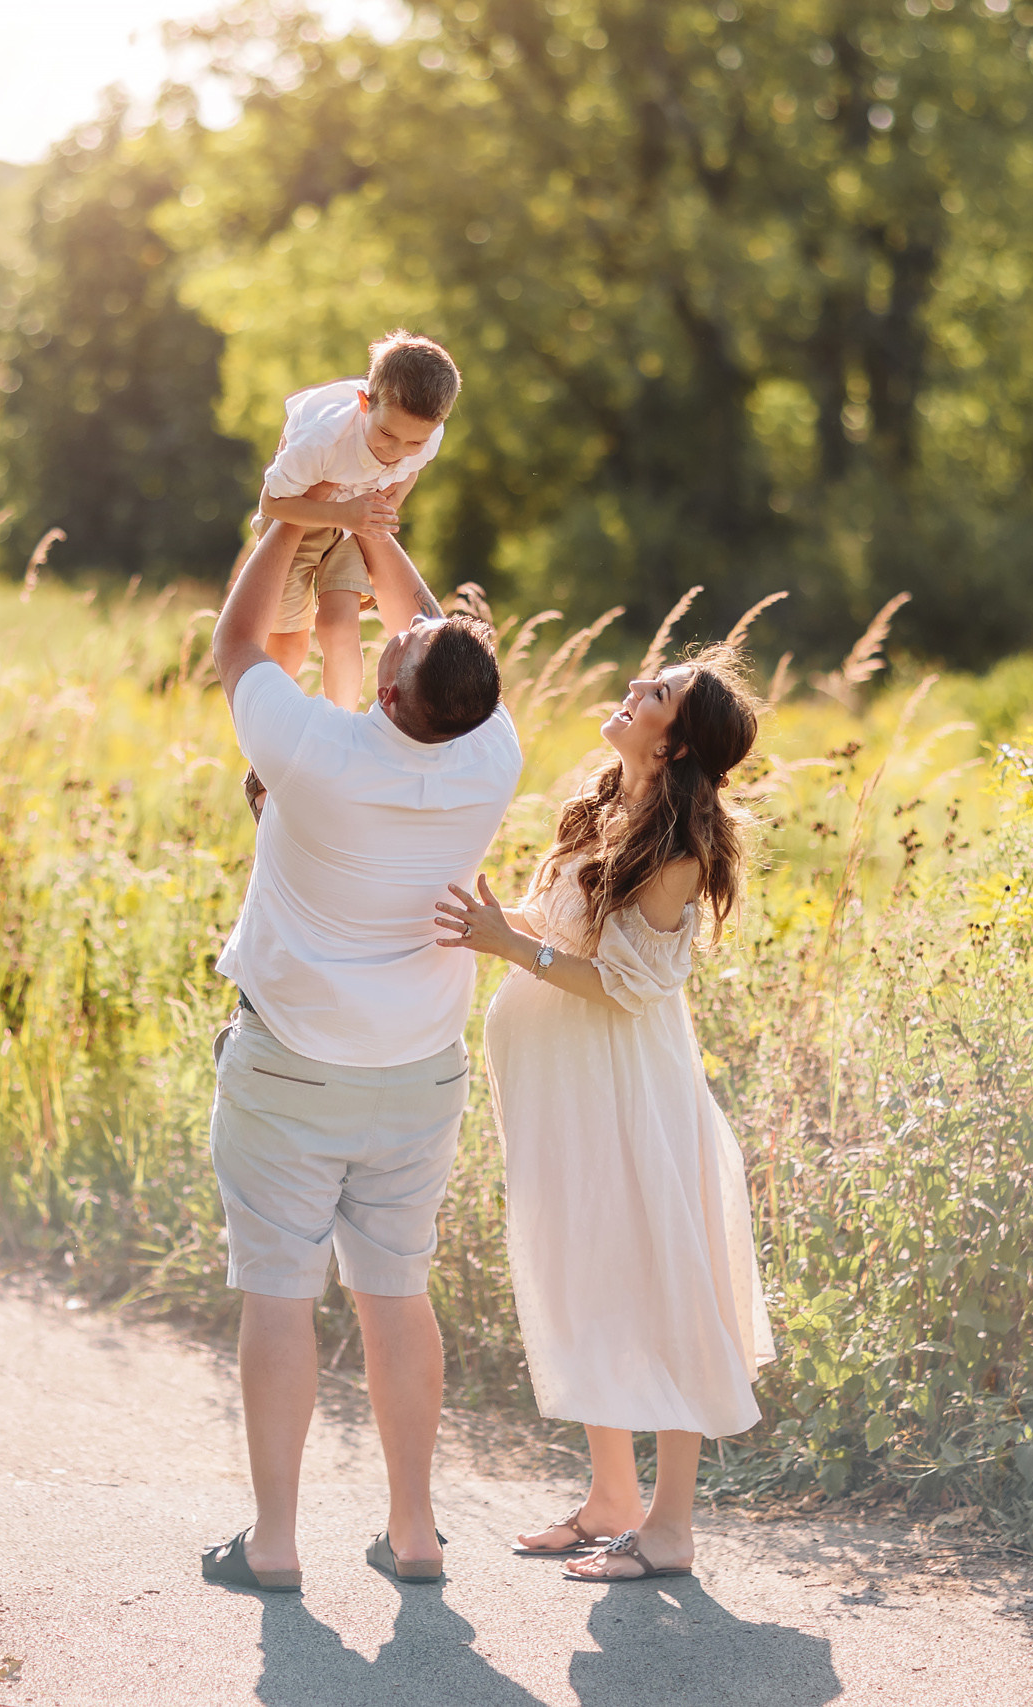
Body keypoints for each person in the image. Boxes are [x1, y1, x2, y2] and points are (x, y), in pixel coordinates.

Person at [196, 497, 520, 1596]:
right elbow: (441, 652)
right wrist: (378, 536)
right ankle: (415, 1533)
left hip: (290, 1065)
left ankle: (276, 1543)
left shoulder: (318, 749)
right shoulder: (492, 757)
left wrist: (292, 519)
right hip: (418, 1074)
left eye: (390, 649)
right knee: (396, 1291)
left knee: (281, 1293)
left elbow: (237, 644)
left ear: (385, 694)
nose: (392, 630)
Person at [432, 643, 775, 1584]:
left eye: (656, 692)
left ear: (676, 744)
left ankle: (669, 1528)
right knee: (586, 1271)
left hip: (629, 1093)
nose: (633, 688)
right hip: (567, 1094)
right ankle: (612, 1497)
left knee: (659, 1283)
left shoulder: (676, 850)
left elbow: (626, 989)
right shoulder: (599, 800)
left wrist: (509, 947)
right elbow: (575, 928)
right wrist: (509, 924)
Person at [236, 331, 461, 818]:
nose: (397, 450)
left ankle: (338, 737)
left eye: (414, 440)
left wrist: (381, 511)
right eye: (386, 435)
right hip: (300, 519)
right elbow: (272, 503)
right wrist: (346, 515)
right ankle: (270, 740)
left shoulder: (424, 437)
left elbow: (411, 469)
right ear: (364, 402)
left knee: (339, 624)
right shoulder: (321, 440)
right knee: (289, 643)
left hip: (356, 521)